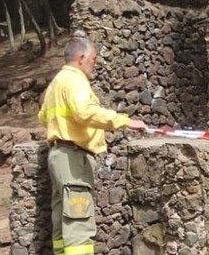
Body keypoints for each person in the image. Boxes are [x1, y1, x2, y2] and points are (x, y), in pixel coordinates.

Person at [38, 31, 147, 255]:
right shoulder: (75, 80)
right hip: (73, 159)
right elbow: (84, 112)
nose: (94, 65)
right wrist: (124, 121)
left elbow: (43, 117)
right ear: (80, 58)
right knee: (79, 223)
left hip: (59, 157)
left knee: (62, 221)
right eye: (93, 60)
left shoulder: (56, 83)